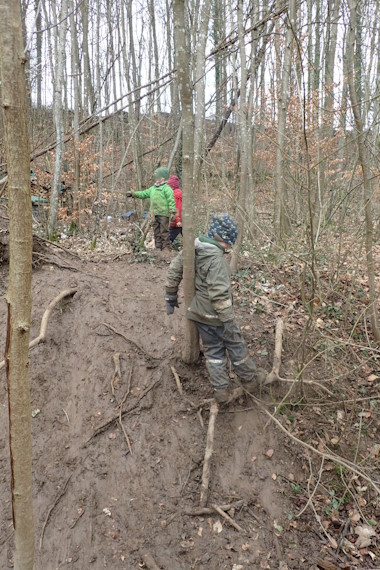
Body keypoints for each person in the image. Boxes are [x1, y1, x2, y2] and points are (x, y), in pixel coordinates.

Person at [165, 213, 266, 404]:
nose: (228, 248)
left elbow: (174, 270)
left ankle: (221, 390)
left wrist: (170, 295)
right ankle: (250, 380)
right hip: (217, 315)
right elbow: (219, 293)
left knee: (214, 351)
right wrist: (228, 320)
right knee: (236, 345)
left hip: (199, 314)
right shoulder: (217, 261)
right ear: (222, 239)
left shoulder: (192, 249)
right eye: (229, 243)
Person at [126, 167, 176, 251]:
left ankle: (166, 248)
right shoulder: (152, 189)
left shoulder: (167, 189)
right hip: (154, 214)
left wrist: (172, 212)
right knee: (156, 232)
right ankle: (158, 248)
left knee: (164, 232)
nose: (156, 180)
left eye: (158, 178)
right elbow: (143, 193)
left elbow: (171, 201)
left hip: (163, 214)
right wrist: (133, 194)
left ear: (163, 178)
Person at [167, 175, 182, 244]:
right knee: (189, 241)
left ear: (172, 186)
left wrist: (177, 220)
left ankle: (165, 252)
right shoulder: (180, 193)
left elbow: (176, 208)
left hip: (176, 222)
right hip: (183, 221)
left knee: (168, 240)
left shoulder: (174, 195)